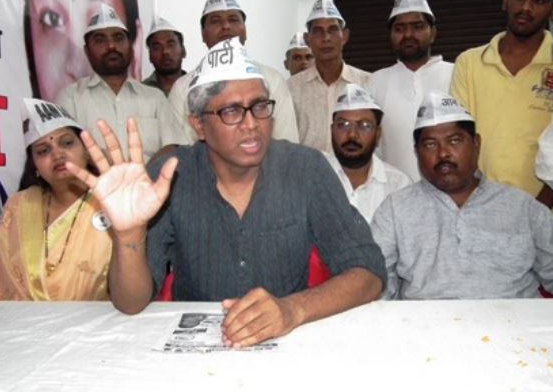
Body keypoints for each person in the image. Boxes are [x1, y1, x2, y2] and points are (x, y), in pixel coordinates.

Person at [67, 37, 386, 348]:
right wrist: (128, 235)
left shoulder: (305, 168)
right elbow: (131, 303)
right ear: (198, 125)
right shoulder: (170, 176)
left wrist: (292, 310)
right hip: (196, 352)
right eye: (231, 111)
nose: (252, 124)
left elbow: (369, 273)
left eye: (260, 106)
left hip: (286, 345)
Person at [371, 90, 553, 300]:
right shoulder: (395, 210)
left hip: (513, 319)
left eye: (455, 140)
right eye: (430, 144)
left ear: (476, 143)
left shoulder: (522, 207)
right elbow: (377, 286)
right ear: (417, 152)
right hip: (426, 320)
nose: (443, 153)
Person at [450, 0, 553, 202]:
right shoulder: (469, 62)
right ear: (505, 0)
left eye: (539, 0)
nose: (526, 7)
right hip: (481, 206)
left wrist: (538, 209)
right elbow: (459, 138)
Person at [0, 99, 112, 300]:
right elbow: (0, 285)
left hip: (95, 319)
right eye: (43, 151)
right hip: (22, 319)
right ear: (34, 166)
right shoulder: (18, 206)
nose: (57, 154)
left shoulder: (111, 201)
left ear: (87, 152)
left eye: (67, 142)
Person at [57, 4, 188, 163]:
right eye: (100, 40)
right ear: (87, 51)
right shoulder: (70, 97)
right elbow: (65, 149)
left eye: (118, 38)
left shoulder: (154, 97)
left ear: (131, 47)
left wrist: (142, 174)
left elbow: (173, 145)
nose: (111, 46)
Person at [167, 0, 299, 144]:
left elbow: (287, 143)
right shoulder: (183, 88)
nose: (226, 26)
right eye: (216, 21)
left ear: (245, 30)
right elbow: (179, 149)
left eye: (233, 19)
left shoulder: (272, 79)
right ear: (203, 34)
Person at [17, 0, 142, 102]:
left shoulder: (155, 104)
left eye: (98, 20)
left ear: (135, 52)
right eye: (52, 18)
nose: (76, 66)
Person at [369, 0, 453, 181]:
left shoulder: (457, 73)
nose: (408, 34)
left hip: (451, 190)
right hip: (395, 192)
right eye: (399, 28)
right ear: (390, 36)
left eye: (417, 26)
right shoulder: (375, 82)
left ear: (433, 33)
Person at [288, 0, 370, 153]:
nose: (326, 38)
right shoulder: (291, 88)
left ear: (344, 36)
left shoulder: (367, 83)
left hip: (352, 169)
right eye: (318, 31)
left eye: (332, 30)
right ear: (307, 39)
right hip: (307, 169)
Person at [325, 84, 411, 223]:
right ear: (332, 130)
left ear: (378, 134)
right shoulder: (311, 178)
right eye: (343, 125)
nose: (352, 135)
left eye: (364, 126)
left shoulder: (399, 185)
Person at [142, 15, 187, 96]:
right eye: (157, 47)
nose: (165, 51)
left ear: (183, 51)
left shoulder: (197, 86)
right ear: (150, 56)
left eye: (171, 45)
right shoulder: (140, 91)